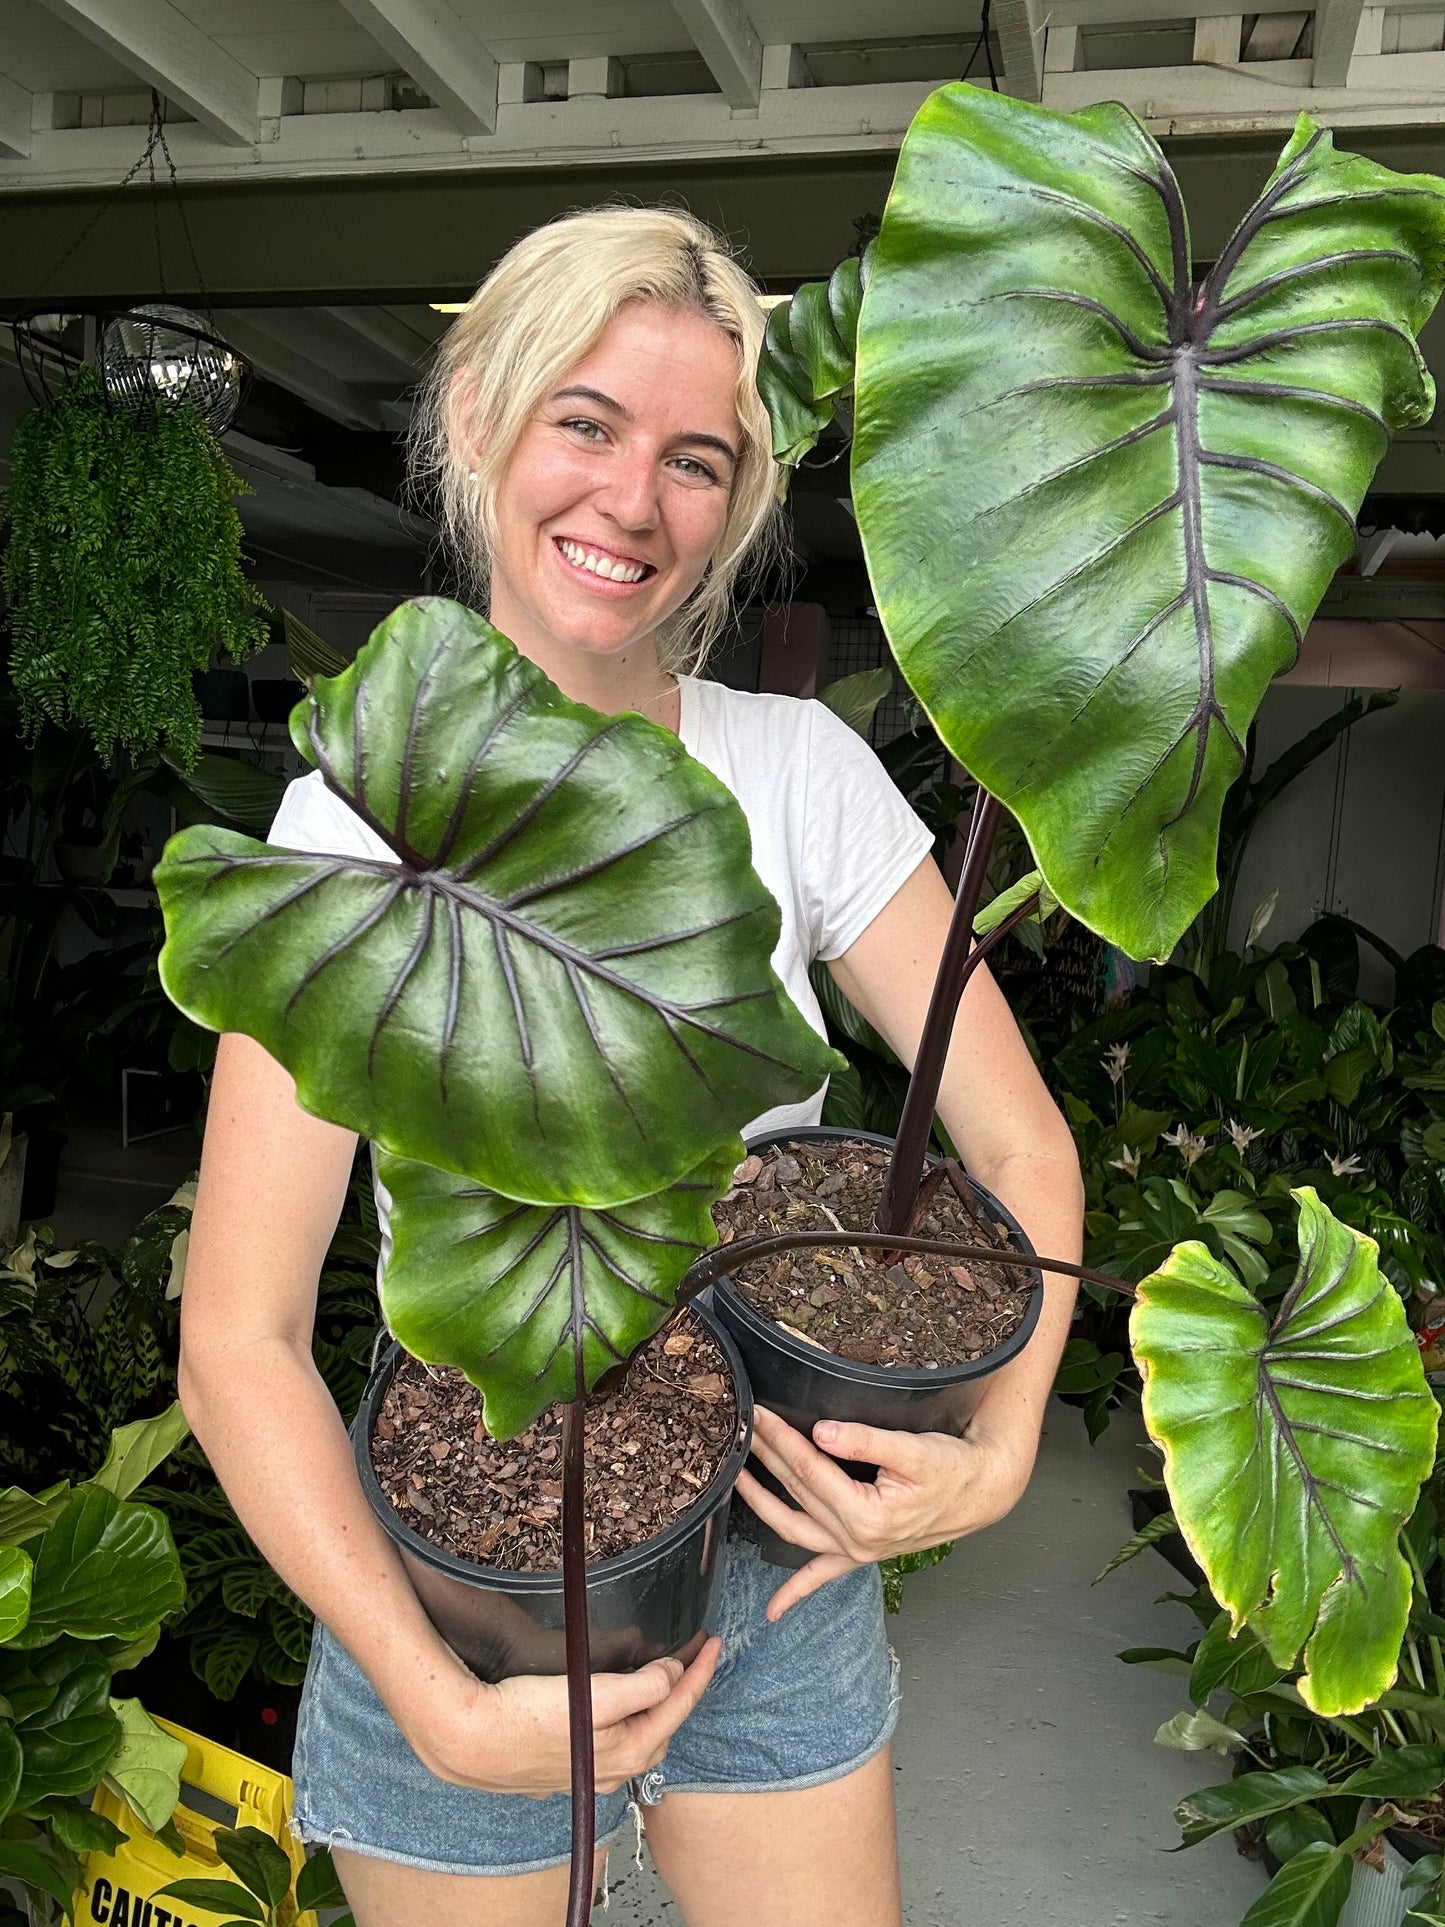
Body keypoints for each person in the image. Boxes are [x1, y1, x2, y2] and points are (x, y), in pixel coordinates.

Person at [177, 206, 1084, 1927]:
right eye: (583, 422)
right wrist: (430, 1695)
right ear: (475, 423)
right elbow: (240, 1335)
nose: (631, 502)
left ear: (735, 505)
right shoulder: (360, 818)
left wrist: (1006, 1450)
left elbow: (1022, 1156)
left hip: (772, 1550)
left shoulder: (794, 770)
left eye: (694, 459)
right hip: (461, 1567)